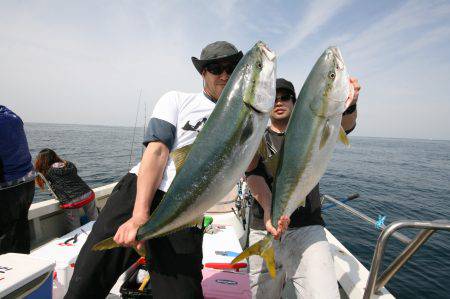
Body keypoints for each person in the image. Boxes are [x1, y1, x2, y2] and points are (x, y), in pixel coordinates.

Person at [65, 41, 243, 299]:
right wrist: (139, 215)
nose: (224, 74)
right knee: (87, 280)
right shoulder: (177, 100)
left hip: (187, 209)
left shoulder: (243, 115)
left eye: (232, 67)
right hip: (138, 193)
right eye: (215, 68)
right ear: (202, 73)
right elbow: (157, 151)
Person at [245, 77, 360, 298]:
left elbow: (345, 125)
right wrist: (271, 212)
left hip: (308, 228)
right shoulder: (257, 136)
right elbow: (252, 174)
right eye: (273, 98)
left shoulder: (314, 131)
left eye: (285, 97)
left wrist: (351, 103)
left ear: (296, 103)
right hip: (264, 227)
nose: (279, 102)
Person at [0, 105, 36, 254]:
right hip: (27, 183)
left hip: (7, 188)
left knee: (4, 233)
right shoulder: (11, 116)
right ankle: (24, 266)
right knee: (21, 227)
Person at [34, 148, 98, 231]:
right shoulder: (69, 164)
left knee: (74, 227)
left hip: (70, 201)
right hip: (87, 194)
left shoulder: (47, 172)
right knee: (95, 220)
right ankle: (100, 237)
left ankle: (77, 240)